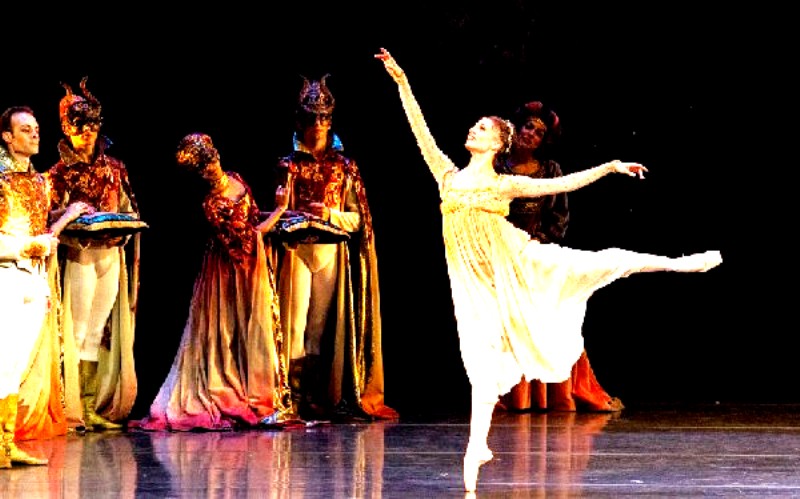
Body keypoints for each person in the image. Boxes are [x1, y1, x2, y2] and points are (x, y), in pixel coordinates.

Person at [375, 47, 722, 493]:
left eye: (482, 128)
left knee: (597, 262)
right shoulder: (447, 175)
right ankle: (477, 446)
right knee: (480, 362)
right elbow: (419, 130)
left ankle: (679, 264)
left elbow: (563, 182)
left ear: (497, 143)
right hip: (474, 285)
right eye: (474, 125)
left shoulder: (506, 184)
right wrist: (402, 81)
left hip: (518, 263)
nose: (472, 129)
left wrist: (611, 167)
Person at [134, 133, 291, 431]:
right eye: (204, 167)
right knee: (231, 329)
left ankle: (257, 389)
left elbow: (253, 217)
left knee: (252, 328)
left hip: (249, 263)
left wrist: (283, 215)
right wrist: (281, 209)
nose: (212, 168)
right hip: (230, 270)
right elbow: (248, 238)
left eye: (212, 160)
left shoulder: (235, 178)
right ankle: (238, 392)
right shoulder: (213, 204)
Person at [271, 74, 397, 421]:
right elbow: (277, 213)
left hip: (330, 252)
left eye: (324, 118)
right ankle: (292, 396)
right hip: (297, 251)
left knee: (317, 329)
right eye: (312, 118)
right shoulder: (288, 165)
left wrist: (329, 214)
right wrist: (292, 216)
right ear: (300, 122)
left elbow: (359, 220)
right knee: (294, 326)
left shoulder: (344, 168)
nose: (318, 125)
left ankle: (313, 394)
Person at [496, 100, 623, 413]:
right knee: (507, 324)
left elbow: (559, 217)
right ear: (517, 128)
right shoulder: (495, 167)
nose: (531, 134)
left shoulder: (549, 170)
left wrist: (535, 244)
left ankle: (551, 395)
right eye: (528, 127)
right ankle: (513, 396)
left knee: (546, 321)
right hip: (499, 255)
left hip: (535, 255)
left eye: (539, 133)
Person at [47, 77, 141, 432]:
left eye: (93, 125)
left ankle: (88, 406)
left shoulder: (114, 167)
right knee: (77, 329)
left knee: (98, 330)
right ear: (67, 128)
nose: (87, 132)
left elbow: (129, 205)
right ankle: (71, 407)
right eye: (79, 125)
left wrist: (125, 220)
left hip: (110, 252)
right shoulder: (58, 173)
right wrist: (72, 214)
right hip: (80, 254)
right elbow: (47, 215)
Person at [1, 105, 91, 467]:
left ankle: (6, 443)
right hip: (7, 274)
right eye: (25, 130)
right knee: (4, 360)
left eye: (36, 128)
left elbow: (40, 226)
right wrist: (26, 246)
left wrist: (66, 216)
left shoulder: (40, 182)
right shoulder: (0, 182)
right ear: (7, 137)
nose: (34, 134)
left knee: (18, 363)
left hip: (34, 277)